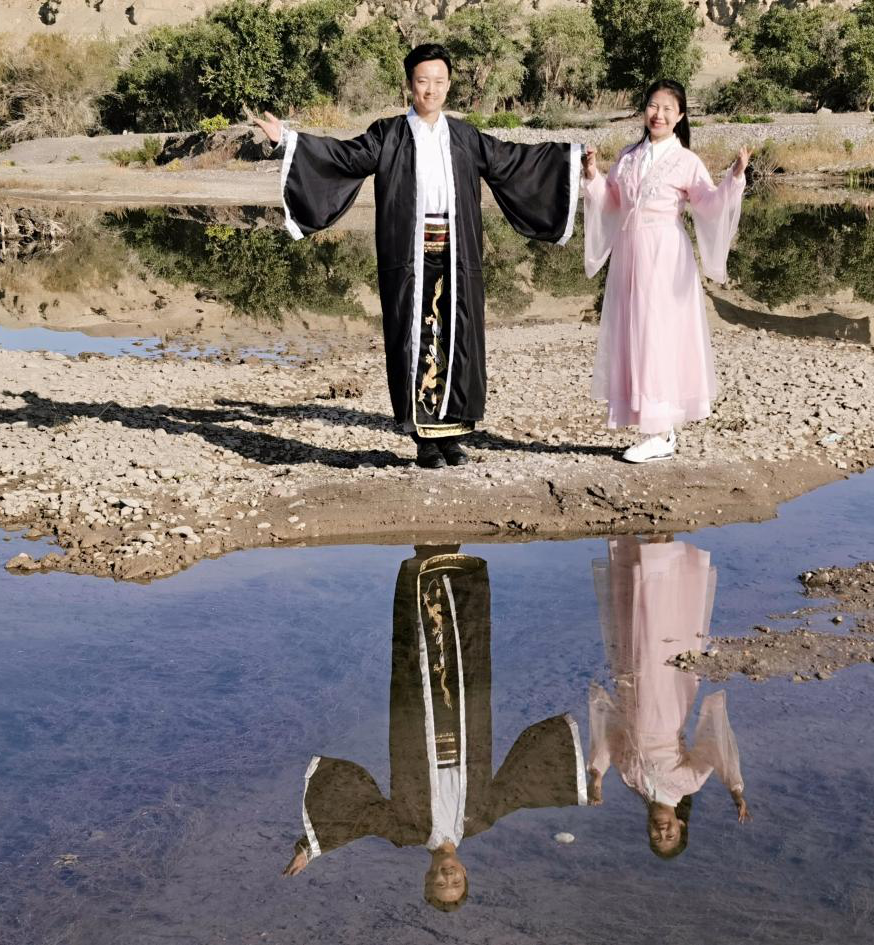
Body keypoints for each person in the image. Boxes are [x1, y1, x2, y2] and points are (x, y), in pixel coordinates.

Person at [251, 44, 582, 469]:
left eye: (439, 81)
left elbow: (513, 160)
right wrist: (287, 140)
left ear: (449, 85)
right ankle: (423, 439)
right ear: (410, 84)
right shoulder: (388, 134)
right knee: (413, 339)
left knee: (459, 337)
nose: (431, 89)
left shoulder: (465, 137)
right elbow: (345, 157)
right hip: (408, 257)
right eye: (423, 81)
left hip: (457, 255)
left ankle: (452, 436)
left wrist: (569, 159)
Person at [281, 547, 587, 910]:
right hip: (469, 724)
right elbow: (520, 788)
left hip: (416, 724)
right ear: (465, 873)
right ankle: (457, 570)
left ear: (427, 877)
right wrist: (581, 782)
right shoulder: (480, 819)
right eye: (455, 882)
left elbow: (360, 819)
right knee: (466, 652)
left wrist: (310, 848)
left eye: (441, 882)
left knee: (417, 652)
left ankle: (421, 563)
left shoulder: (405, 830)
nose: (447, 876)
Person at [581, 79, 748, 463]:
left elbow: (709, 204)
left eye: (668, 109)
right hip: (629, 254)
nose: (658, 114)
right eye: (653, 106)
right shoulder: (628, 157)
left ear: (680, 116)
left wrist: (735, 177)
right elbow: (611, 203)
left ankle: (661, 430)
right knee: (634, 334)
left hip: (665, 256)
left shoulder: (686, 161)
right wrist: (592, 174)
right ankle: (652, 424)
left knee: (658, 336)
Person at [587, 536, 750, 860]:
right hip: (664, 709)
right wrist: (735, 790)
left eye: (656, 836)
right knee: (656, 638)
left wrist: (596, 777)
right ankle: (665, 553)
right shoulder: (686, 785)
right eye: (670, 834)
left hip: (631, 698)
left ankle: (644, 552)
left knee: (632, 628)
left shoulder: (633, 782)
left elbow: (612, 739)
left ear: (647, 829)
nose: (662, 831)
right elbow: (714, 748)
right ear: (681, 824)